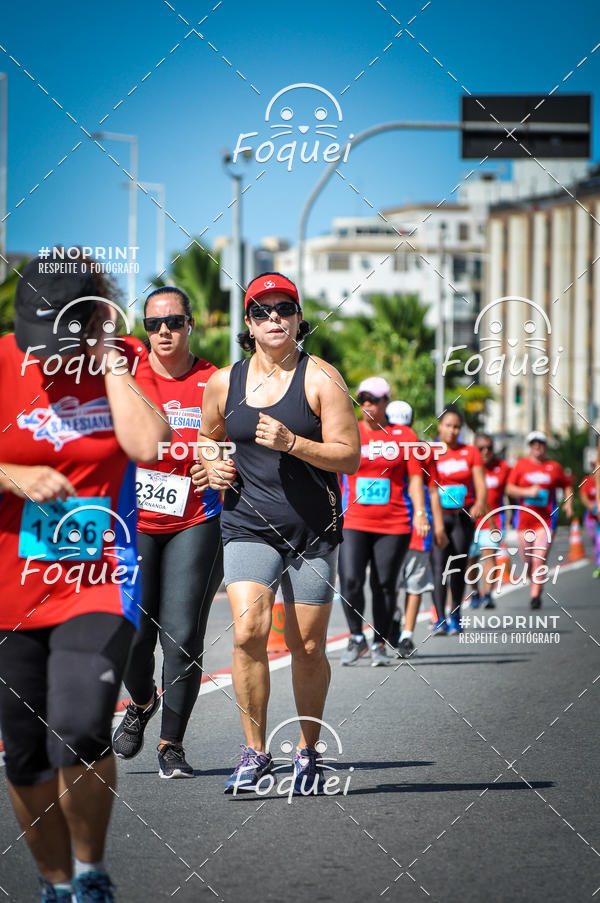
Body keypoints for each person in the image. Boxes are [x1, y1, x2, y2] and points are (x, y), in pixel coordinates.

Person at [0, 256, 170, 902]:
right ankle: (56, 883)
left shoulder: (118, 358)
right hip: (11, 588)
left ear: (97, 318)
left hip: (99, 579)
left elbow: (149, 444)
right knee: (24, 752)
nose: (44, 354)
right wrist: (14, 476)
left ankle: (92, 873)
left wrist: (112, 364)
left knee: (78, 727)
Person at [191, 272, 360, 794]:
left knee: (307, 645)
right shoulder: (225, 382)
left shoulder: (322, 379)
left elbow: (349, 455)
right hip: (247, 526)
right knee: (247, 634)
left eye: (284, 309)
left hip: (312, 529)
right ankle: (255, 752)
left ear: (298, 317)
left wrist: (293, 442)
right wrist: (212, 464)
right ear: (248, 322)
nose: (274, 319)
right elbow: (207, 438)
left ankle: (308, 750)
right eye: (262, 311)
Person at [111, 287, 223, 778]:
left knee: (180, 636)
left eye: (174, 322)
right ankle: (141, 702)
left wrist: (219, 464)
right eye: (154, 324)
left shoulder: (215, 381)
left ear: (190, 325)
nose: (164, 332)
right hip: (131, 523)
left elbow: (238, 443)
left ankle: (171, 745)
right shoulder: (126, 377)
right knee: (130, 634)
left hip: (195, 520)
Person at [339, 381, 429, 666]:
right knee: (351, 580)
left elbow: (415, 478)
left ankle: (378, 642)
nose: (367, 405)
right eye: (362, 399)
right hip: (354, 519)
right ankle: (356, 637)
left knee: (384, 585)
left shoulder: (404, 435)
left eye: (373, 400)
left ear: (386, 403)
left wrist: (421, 514)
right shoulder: (348, 429)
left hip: (394, 523)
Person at [385, 401, 447, 658]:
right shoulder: (379, 449)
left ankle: (407, 635)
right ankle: (396, 620)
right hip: (393, 525)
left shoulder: (421, 452)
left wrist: (438, 523)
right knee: (395, 583)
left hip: (416, 526)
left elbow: (432, 489)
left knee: (414, 581)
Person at [431, 405, 487, 635]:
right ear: (439, 427)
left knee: (456, 567)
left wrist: (479, 504)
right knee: (438, 567)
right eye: (448, 426)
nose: (453, 431)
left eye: (457, 427)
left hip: (462, 516)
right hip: (439, 516)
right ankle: (439, 618)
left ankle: (456, 616)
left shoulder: (470, 451)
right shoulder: (430, 451)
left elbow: (481, 484)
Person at [506, 431, 573, 609]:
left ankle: (535, 595)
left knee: (539, 557)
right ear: (529, 446)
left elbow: (566, 484)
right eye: (534, 443)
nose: (537, 446)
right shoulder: (520, 465)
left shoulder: (553, 467)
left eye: (541, 443)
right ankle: (534, 581)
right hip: (524, 522)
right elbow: (509, 489)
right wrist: (527, 492)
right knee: (528, 561)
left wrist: (568, 504)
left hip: (545, 521)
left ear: (545, 446)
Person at [467, 433, 511, 610]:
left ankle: (487, 594)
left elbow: (511, 490)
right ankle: (475, 592)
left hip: (494, 523)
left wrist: (513, 514)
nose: (486, 452)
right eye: (481, 448)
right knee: (471, 561)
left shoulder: (503, 467)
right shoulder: (468, 468)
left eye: (489, 448)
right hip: (470, 522)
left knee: (490, 557)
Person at [579, 471, 600, 578]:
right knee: (594, 542)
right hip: (591, 517)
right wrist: (591, 506)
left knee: (599, 542)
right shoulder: (587, 480)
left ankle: (599, 565)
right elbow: (583, 496)